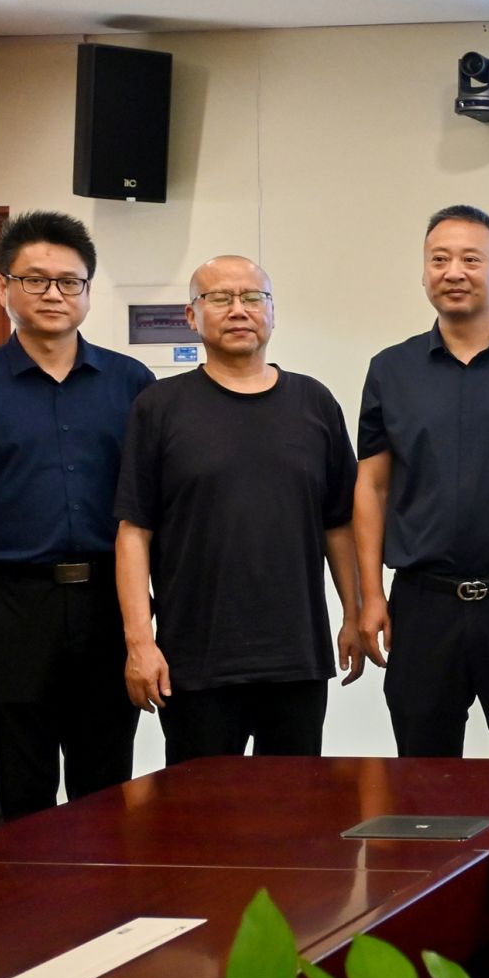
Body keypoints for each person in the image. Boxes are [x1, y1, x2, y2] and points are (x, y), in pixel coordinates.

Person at [0, 212, 153, 820]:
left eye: (70, 282)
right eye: (35, 280)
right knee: (22, 786)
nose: (54, 294)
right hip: (14, 605)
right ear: (4, 287)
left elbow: (153, 500)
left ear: (88, 291)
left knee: (106, 782)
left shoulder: (132, 383)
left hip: (109, 601)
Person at [113, 256, 364, 763]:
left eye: (252, 297)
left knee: (294, 805)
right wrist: (140, 643)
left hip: (296, 657)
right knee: (200, 808)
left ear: (272, 312)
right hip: (196, 662)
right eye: (219, 298)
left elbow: (339, 524)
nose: (238, 310)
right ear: (192, 316)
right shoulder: (159, 407)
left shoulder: (315, 402)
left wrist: (354, 615)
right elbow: (133, 533)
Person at [355, 205, 489, 758]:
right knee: (422, 771)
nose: (454, 272)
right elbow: (372, 486)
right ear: (424, 272)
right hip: (422, 602)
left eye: (471, 260)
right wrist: (370, 595)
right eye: (439, 260)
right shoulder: (391, 369)